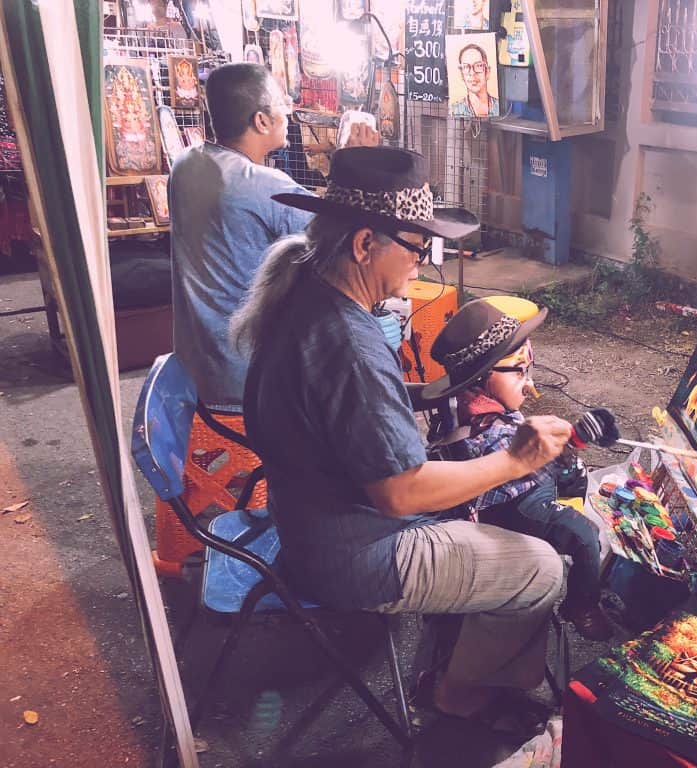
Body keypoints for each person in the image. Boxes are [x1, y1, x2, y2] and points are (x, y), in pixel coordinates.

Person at [230, 146, 572, 728]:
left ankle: (459, 648)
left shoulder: (304, 295)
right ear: (365, 244)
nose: (422, 264)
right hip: (356, 554)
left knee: (481, 518)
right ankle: (457, 695)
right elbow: (402, 494)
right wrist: (517, 460)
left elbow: (340, 413)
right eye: (417, 248)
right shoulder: (349, 343)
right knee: (542, 567)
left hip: (308, 520)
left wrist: (417, 396)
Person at [168, 62, 378, 409]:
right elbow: (341, 235)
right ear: (261, 121)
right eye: (282, 104)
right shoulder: (264, 187)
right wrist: (352, 163)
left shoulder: (186, 164)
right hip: (246, 378)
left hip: (194, 371)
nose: (289, 111)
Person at [423, 299, 615, 641]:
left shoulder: (467, 405)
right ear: (480, 378)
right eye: (518, 372)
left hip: (514, 486)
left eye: (531, 369)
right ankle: (581, 604)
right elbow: (527, 468)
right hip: (508, 507)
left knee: (575, 477)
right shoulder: (489, 432)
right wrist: (574, 442)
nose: (529, 384)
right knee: (586, 534)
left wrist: (571, 444)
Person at [450, 43, 499, 118]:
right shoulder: (455, 110)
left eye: (478, 65)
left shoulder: (499, 107)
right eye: (466, 67)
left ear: (487, 71)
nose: (472, 73)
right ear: (461, 74)